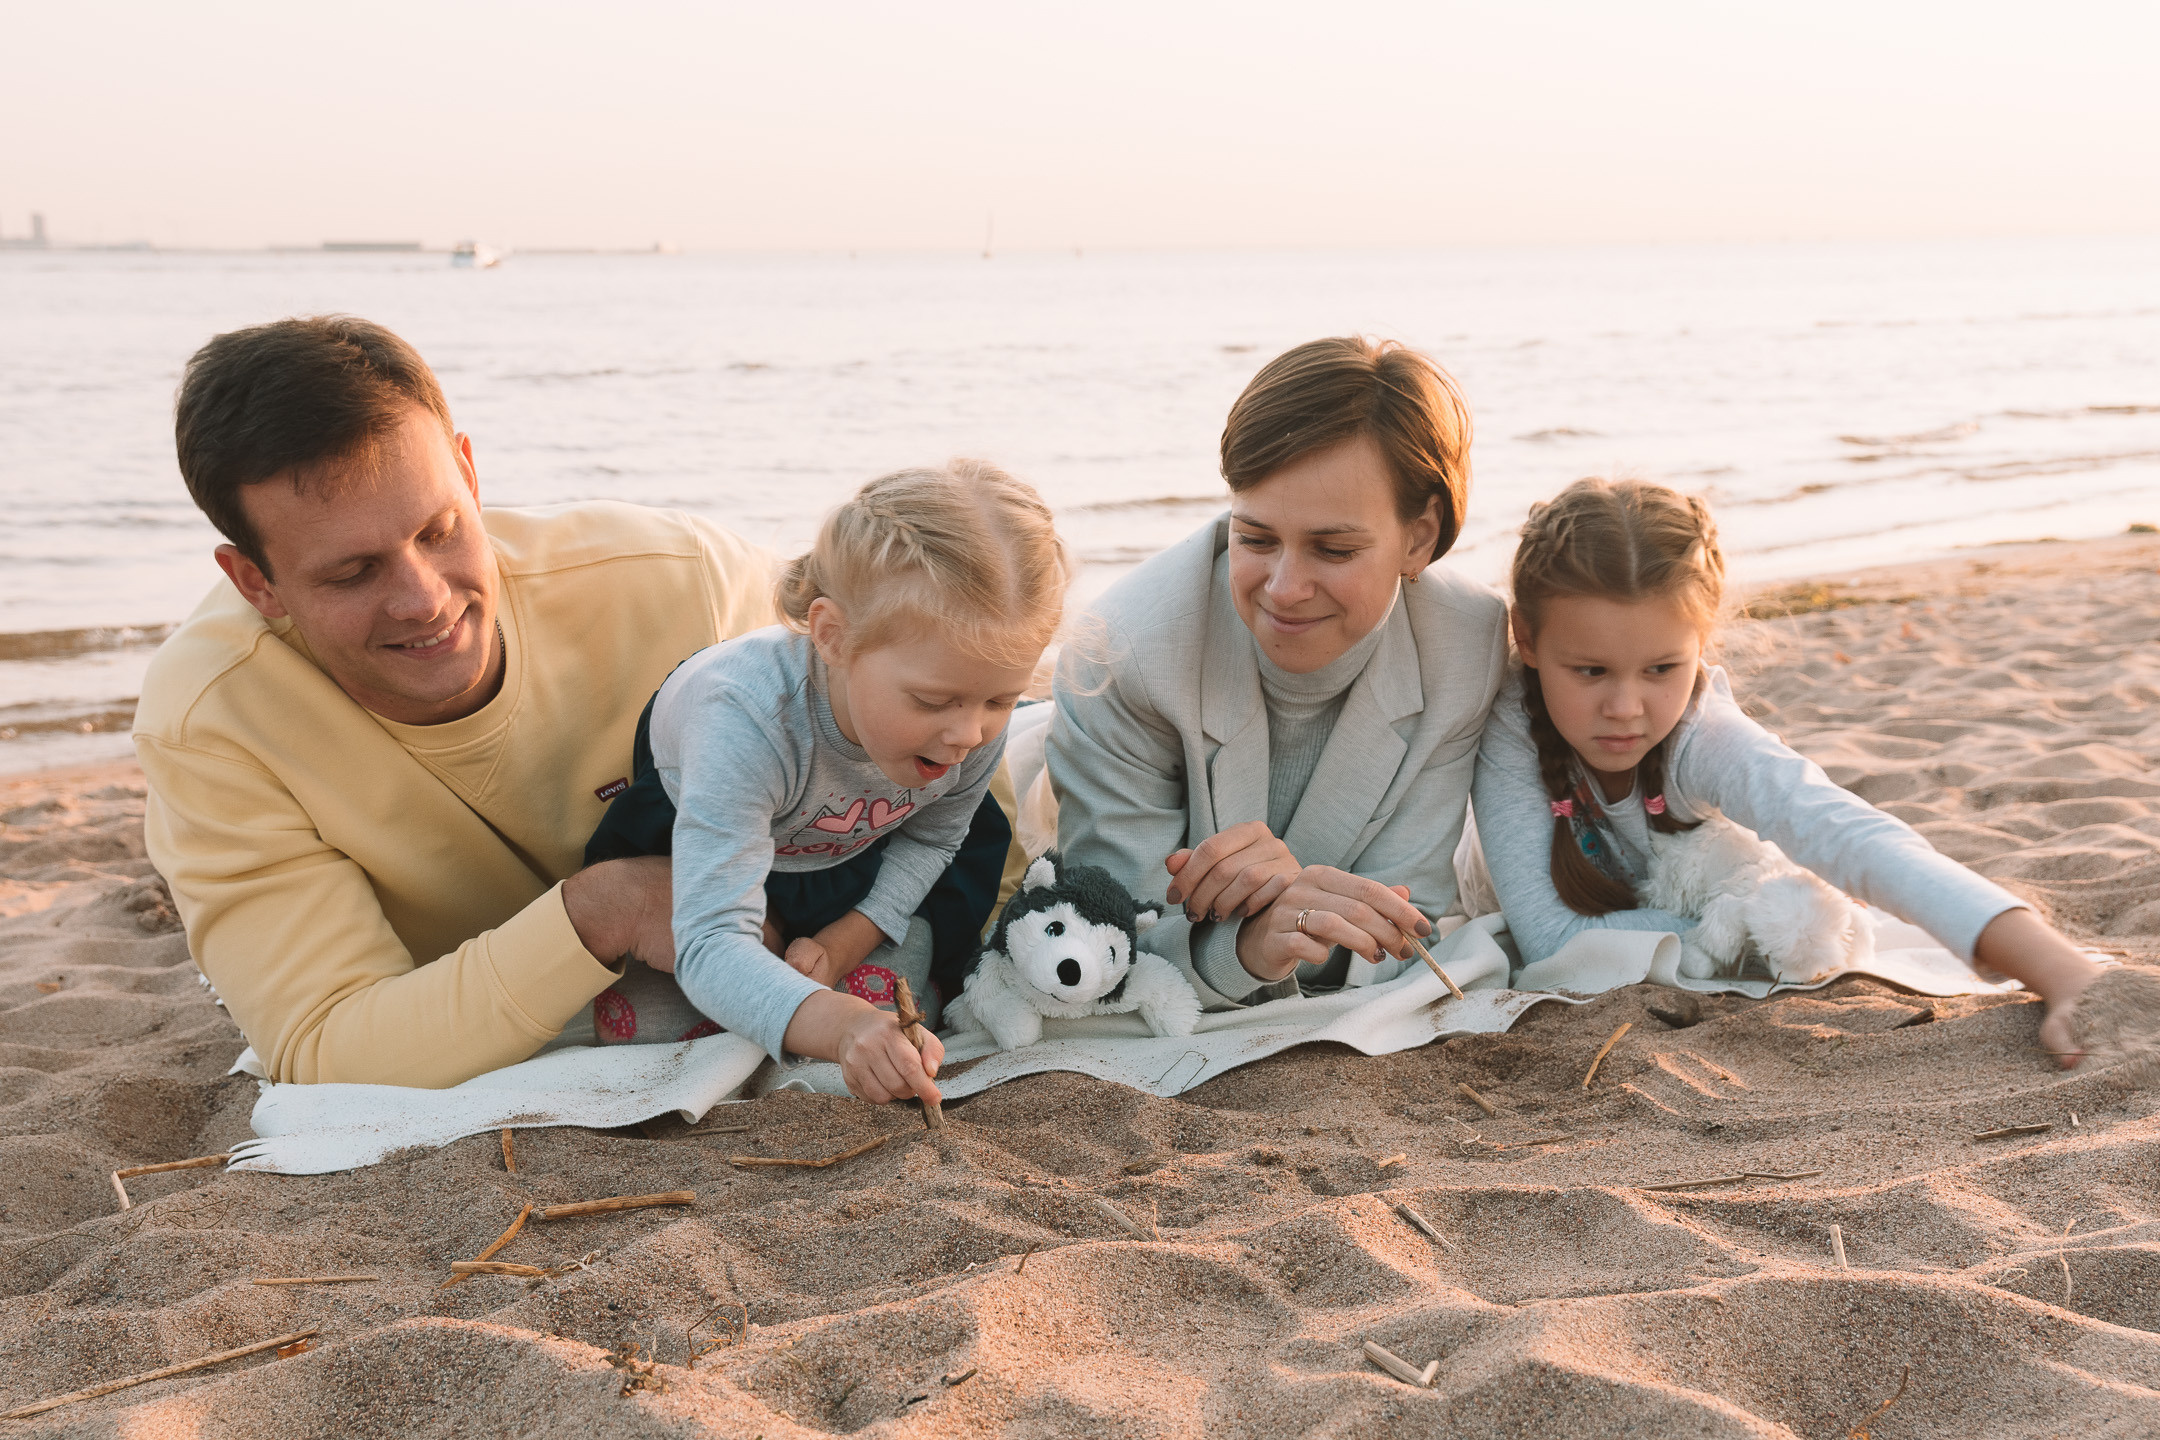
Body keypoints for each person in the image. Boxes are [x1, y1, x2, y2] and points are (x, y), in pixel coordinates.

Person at [135, 315, 775, 1088]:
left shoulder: (689, 583)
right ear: (256, 583)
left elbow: (933, 698)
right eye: (353, 573)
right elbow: (324, 1047)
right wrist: (606, 909)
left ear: (469, 474)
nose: (423, 599)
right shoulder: (209, 722)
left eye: (440, 531)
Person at [1472, 476, 2102, 1063]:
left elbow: (1848, 834)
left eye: (1662, 668)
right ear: (1526, 639)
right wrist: (1735, 925)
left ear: (1701, 643)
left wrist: (2063, 974)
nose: (1625, 709)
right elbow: (1551, 940)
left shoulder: (1703, 737)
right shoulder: (1510, 727)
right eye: (1591, 671)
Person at [1049, 337, 1510, 1006]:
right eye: (1255, 537)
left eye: (1334, 548)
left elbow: (1406, 931)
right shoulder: (1121, 651)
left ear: (1419, 537)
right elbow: (1103, 944)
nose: (1285, 588)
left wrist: (1287, 919)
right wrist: (1250, 946)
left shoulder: (1466, 647)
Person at [584, 463, 1064, 1103]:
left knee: (900, 1017)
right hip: (705, 860)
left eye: (1003, 700)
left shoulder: (970, 712)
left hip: (855, 862)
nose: (968, 736)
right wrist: (842, 1028)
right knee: (649, 1035)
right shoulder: (745, 720)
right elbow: (709, 939)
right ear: (832, 637)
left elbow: (933, 841)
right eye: (930, 700)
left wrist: (847, 942)